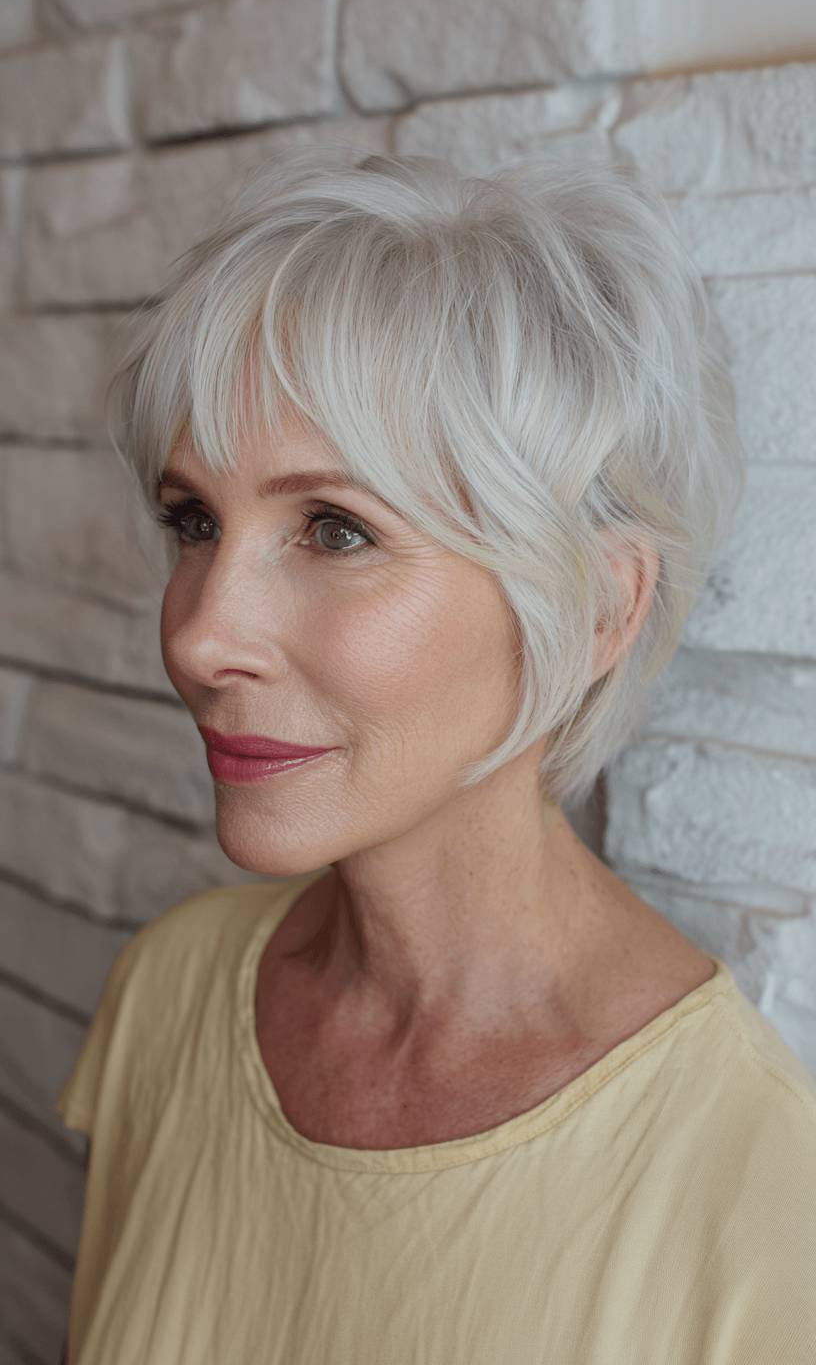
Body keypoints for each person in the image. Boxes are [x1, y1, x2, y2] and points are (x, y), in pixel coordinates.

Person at [55, 146, 816, 1363]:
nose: (199, 636)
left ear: (599, 607)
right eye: (194, 519)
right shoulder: (170, 994)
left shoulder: (757, 1195)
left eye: (335, 528)